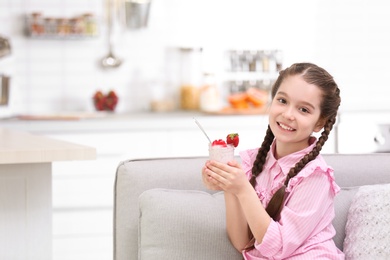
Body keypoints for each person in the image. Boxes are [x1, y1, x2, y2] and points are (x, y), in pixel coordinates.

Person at [202, 62, 344, 259]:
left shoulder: (315, 177)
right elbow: (244, 243)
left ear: (320, 122)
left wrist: (243, 189)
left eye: (303, 110)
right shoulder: (254, 162)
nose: (288, 114)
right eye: (283, 101)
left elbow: (277, 248)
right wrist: (230, 187)